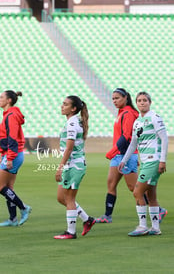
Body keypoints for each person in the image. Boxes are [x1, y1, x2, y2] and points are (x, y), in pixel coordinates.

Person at [96, 88, 167, 224]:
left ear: (125, 98)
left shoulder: (129, 113)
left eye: (117, 98)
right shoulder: (121, 113)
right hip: (120, 156)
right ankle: (107, 215)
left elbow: (127, 136)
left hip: (124, 154)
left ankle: (157, 211)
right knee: (111, 183)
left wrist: (114, 151)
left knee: (135, 188)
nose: (114, 101)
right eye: (113, 99)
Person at [118, 92, 168, 236]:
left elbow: (164, 139)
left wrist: (162, 160)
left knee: (137, 192)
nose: (142, 103)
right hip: (146, 161)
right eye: (139, 100)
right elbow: (133, 144)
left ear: (149, 102)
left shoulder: (155, 117)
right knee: (151, 195)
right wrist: (124, 160)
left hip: (154, 160)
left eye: (144, 100)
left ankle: (142, 226)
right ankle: (155, 228)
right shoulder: (137, 121)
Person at [54, 96, 95, 239]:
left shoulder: (72, 124)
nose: (62, 106)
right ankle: (87, 219)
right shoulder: (74, 121)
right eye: (62, 103)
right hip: (72, 165)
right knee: (61, 197)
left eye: (65, 104)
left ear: (73, 109)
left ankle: (71, 232)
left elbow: (69, 148)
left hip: (74, 166)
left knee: (69, 198)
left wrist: (60, 167)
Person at [0, 90, 31, 227]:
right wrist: (3, 155)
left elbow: (12, 139)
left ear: (9, 100)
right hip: (11, 154)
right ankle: (13, 218)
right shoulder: (10, 115)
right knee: (8, 187)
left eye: (1, 97)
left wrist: (9, 158)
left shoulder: (11, 116)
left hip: (13, 155)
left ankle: (23, 208)